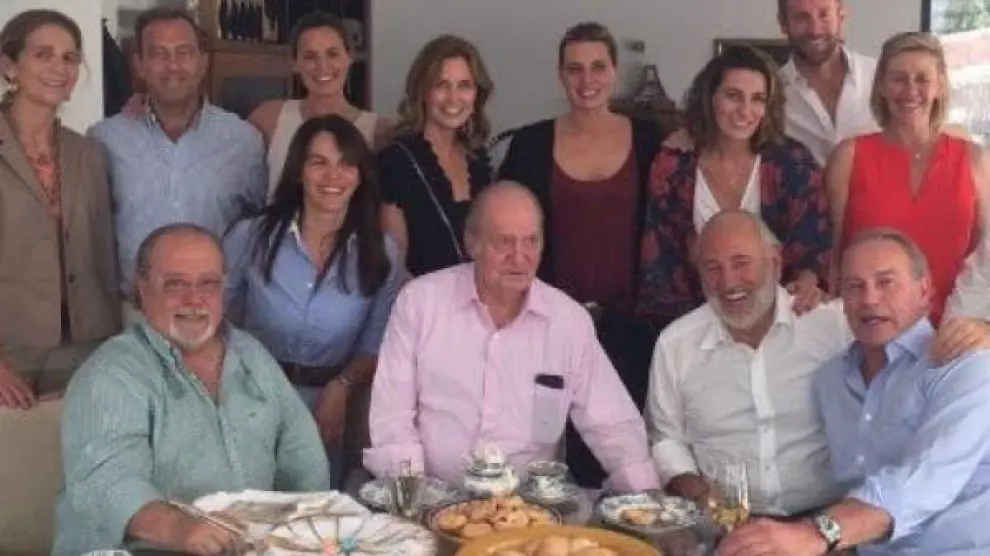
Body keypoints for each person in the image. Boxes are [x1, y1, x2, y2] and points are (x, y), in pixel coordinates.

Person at [364, 181, 661, 492]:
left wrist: (645, 497)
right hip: (434, 497)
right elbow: (393, 415)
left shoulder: (568, 322)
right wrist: (412, 499)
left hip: (529, 504)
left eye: (531, 241)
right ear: (472, 243)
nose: (520, 257)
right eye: (504, 242)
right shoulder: (420, 303)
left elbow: (611, 421)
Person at [53, 224, 329, 556]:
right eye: (175, 284)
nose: (194, 299)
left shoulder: (252, 355)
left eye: (208, 284)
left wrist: (314, 529)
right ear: (143, 288)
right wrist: (177, 528)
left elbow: (303, 454)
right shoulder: (111, 373)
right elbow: (107, 480)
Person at [719, 229, 990, 556]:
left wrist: (815, 533)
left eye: (886, 282)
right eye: (854, 286)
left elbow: (926, 479)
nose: (870, 299)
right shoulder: (831, 380)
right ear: (841, 300)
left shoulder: (966, 366)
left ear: (923, 291)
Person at [497, 22, 663, 488]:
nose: (586, 80)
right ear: (560, 74)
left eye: (597, 67)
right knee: (545, 455)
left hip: (631, 328)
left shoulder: (650, 140)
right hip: (550, 325)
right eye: (574, 69)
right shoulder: (531, 144)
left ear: (614, 72)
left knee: (623, 456)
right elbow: (507, 230)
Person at [224, 114, 401, 488]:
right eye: (318, 162)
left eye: (346, 164)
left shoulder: (381, 253)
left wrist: (342, 386)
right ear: (298, 172)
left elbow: (377, 343)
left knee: (314, 512)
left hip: (327, 409)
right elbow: (216, 316)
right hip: (249, 397)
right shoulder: (252, 237)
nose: (333, 176)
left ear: (360, 175)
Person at [648, 210, 849, 517]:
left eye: (741, 263)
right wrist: (703, 498)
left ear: (775, 263)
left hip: (827, 522)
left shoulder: (831, 327)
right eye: (712, 268)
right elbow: (666, 439)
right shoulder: (676, 344)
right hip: (724, 522)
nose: (728, 282)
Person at [637, 46, 831, 334]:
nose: (745, 111)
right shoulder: (674, 165)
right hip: (697, 327)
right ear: (710, 98)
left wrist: (806, 282)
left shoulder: (791, 162)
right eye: (733, 96)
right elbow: (661, 262)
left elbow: (814, 243)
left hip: (781, 325)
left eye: (758, 99)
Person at [89, 6, 266, 310]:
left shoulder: (244, 141)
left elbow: (259, 226)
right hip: (133, 313)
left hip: (216, 312)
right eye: (159, 54)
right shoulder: (105, 139)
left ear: (203, 61)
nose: (172, 65)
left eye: (184, 52)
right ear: (139, 64)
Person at [826, 31, 990, 325]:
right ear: (881, 87)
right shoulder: (848, 157)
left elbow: (986, 260)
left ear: (940, 85)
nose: (910, 90)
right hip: (869, 332)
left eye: (922, 79)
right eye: (899, 79)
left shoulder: (975, 160)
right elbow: (833, 258)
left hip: (953, 333)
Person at [0, 9, 120, 409]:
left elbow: (103, 256)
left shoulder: (89, 153)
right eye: (43, 54)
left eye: (70, 57)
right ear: (9, 65)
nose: (59, 67)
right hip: (9, 352)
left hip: (87, 348)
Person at [378, 35, 494, 277]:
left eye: (464, 85)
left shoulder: (478, 160)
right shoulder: (395, 162)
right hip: (421, 299)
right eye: (441, 85)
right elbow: (394, 271)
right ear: (422, 92)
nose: (453, 97)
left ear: (477, 94)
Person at [249, 11, 391, 200]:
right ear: (294, 63)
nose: (323, 66)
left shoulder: (380, 132)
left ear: (349, 57)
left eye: (333, 54)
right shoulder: (269, 118)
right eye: (310, 56)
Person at [776, 0, 879, 165]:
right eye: (801, 17)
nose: (815, 30)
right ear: (783, 23)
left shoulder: (880, 77)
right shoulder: (771, 91)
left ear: (841, 17)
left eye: (824, 15)